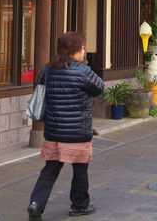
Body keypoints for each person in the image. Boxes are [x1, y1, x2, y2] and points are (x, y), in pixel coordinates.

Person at [28, 32, 104, 221]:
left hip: (54, 131)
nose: (84, 51)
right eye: (83, 48)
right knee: (80, 170)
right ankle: (79, 205)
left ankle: (36, 203)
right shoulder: (83, 71)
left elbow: (40, 91)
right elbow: (99, 87)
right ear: (75, 50)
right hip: (78, 131)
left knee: (50, 170)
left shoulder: (48, 69)